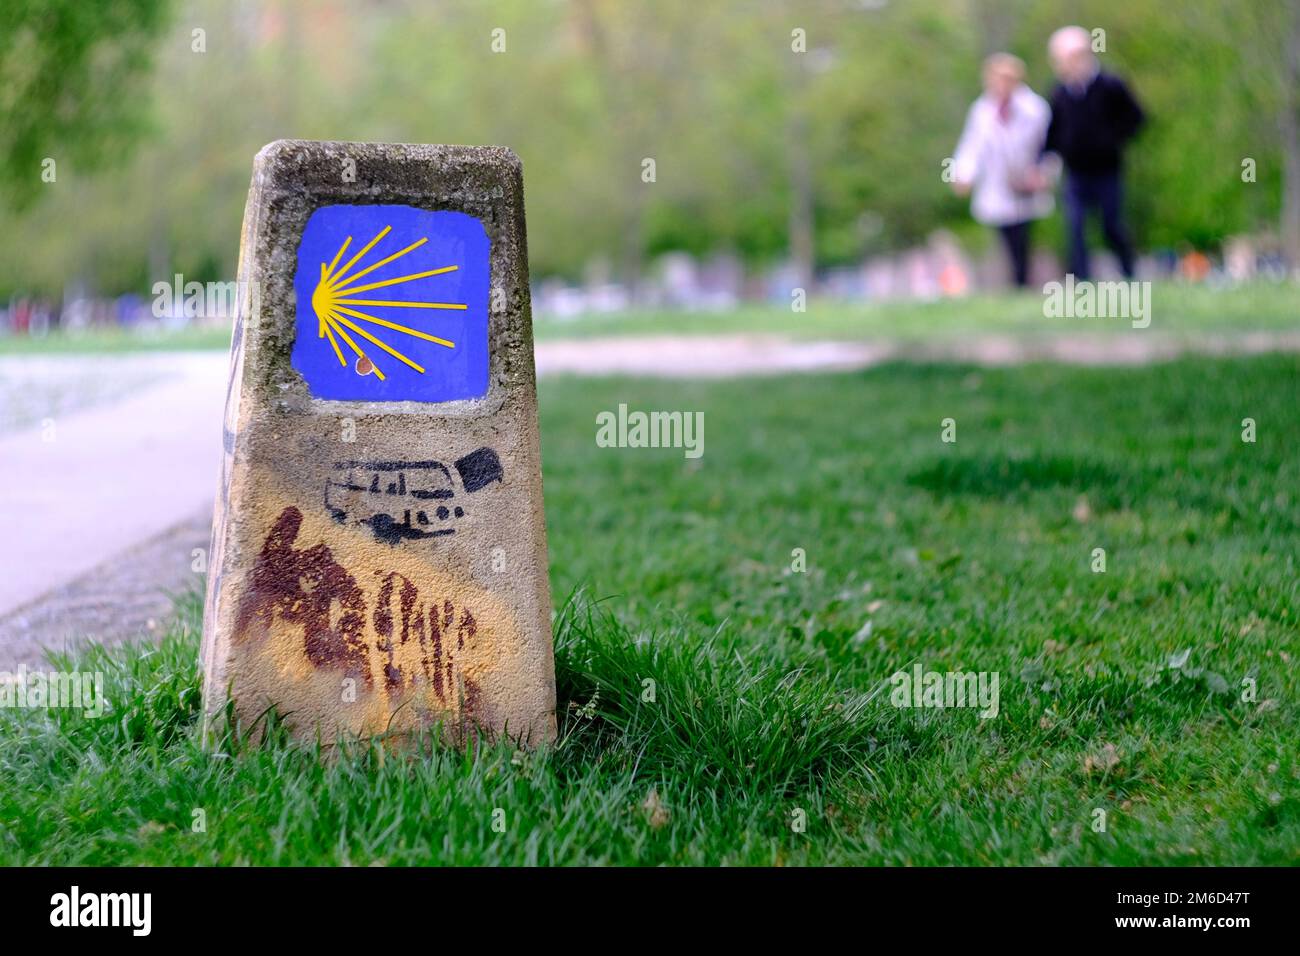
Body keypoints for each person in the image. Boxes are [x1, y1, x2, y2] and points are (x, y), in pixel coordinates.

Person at [1044, 25, 1145, 280]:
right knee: (1074, 226)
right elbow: (1053, 133)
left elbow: (1136, 118)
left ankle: (1129, 272)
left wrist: (1112, 140)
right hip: (1076, 172)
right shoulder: (1059, 92)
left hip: (1107, 170)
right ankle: (1081, 280)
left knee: (1111, 225)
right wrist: (1047, 161)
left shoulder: (1110, 84)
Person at [951, 53, 1055, 288]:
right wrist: (963, 174)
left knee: (1024, 235)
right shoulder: (981, 111)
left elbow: (1049, 146)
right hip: (998, 185)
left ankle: (1022, 282)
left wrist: (1044, 174)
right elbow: (971, 147)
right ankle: (1019, 282)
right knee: (1007, 235)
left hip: (1028, 182)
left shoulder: (1035, 109)